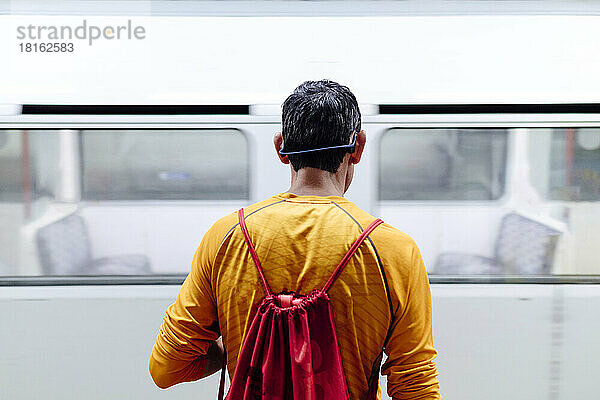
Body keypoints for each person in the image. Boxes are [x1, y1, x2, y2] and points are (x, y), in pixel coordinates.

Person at [149, 80, 441, 399]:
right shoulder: (393, 248)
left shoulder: (227, 236)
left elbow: (167, 367)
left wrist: (233, 349)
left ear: (280, 147)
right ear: (358, 147)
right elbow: (415, 386)